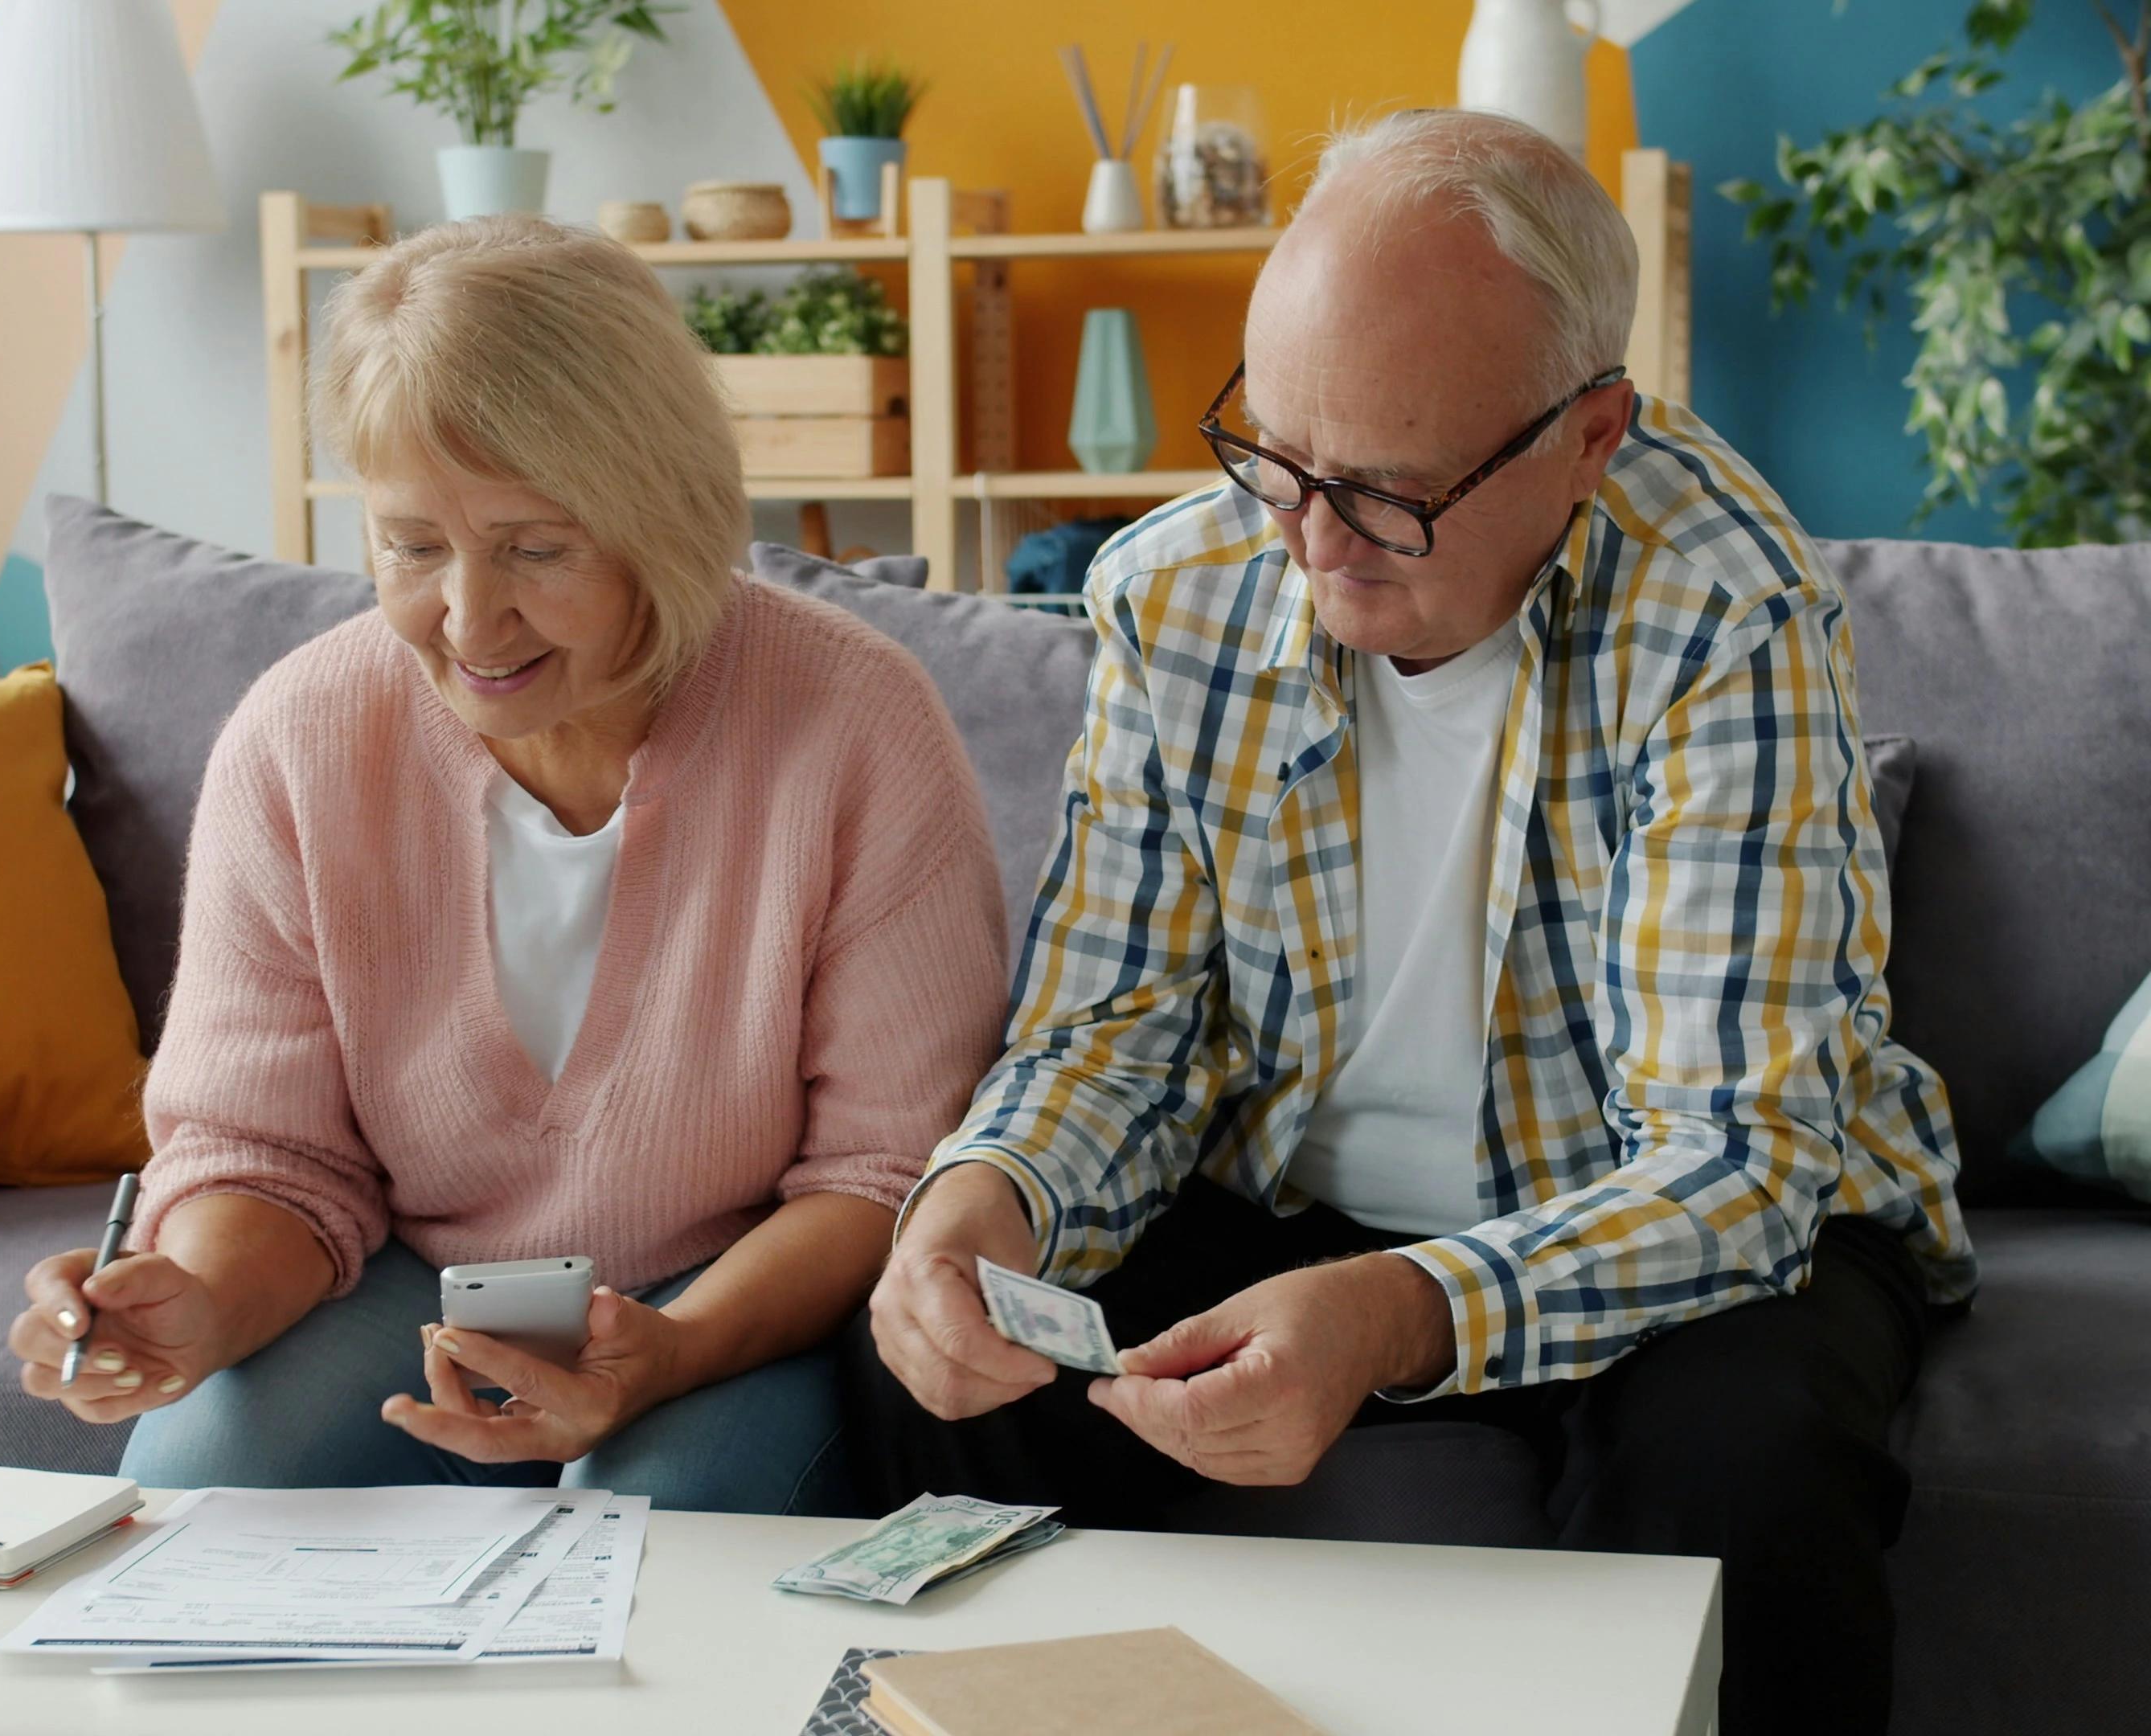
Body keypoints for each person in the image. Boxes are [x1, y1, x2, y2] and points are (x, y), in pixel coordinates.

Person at [846, 110, 1975, 1734]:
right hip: (1295, 1183)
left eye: (1384, 497)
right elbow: (1120, 1028)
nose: (1306, 544)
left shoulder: (1724, 604)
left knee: (1747, 1465)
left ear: (1589, 438)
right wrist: (984, 1202)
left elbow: (1735, 1155)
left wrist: (1394, 1316)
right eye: (1280, 459)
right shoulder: (1178, 591)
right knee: (933, 1361)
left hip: (1701, 1214)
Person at [6, 215, 1010, 1513]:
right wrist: (185, 1303)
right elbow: (265, 1157)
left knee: (653, 1543)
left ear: (665, 513)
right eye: (413, 546)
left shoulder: (856, 720)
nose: (470, 621)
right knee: (197, 1506)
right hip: (406, 1299)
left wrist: (673, 1352)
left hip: (731, 1308)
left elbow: (886, 1174)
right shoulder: (302, 734)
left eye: (537, 548)